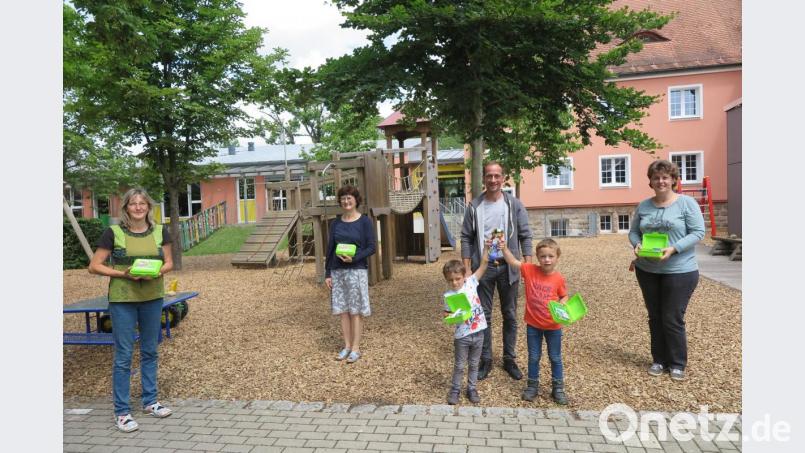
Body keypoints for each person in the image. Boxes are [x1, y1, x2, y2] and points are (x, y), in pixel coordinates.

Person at [88, 188, 174, 433]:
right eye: (133, 204)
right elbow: (94, 266)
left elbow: (169, 262)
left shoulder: (160, 231)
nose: (138, 207)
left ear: (148, 207)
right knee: (124, 355)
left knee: (150, 350)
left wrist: (158, 272)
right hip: (122, 299)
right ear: (125, 208)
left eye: (142, 203)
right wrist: (121, 274)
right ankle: (122, 412)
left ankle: (150, 401)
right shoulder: (113, 233)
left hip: (152, 296)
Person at [629, 159, 705, 382]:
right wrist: (637, 245)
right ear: (650, 181)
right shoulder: (644, 205)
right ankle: (659, 360)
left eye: (665, 177)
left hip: (680, 270)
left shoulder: (686, 204)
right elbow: (634, 233)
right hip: (647, 269)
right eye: (656, 177)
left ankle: (677, 363)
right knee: (655, 316)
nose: (661, 181)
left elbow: (699, 232)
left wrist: (674, 248)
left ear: (673, 180)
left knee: (672, 317)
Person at [460, 161, 533, 380]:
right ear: (483, 178)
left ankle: (509, 359)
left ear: (503, 178)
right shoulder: (474, 206)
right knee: (485, 316)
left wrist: (527, 267)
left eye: (497, 176)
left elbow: (525, 235)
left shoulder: (514, 205)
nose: (493, 180)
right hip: (484, 268)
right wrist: (466, 270)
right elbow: (466, 237)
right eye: (489, 176)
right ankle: (486, 359)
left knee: (510, 315)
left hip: (508, 267)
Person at [501, 238, 570, 405]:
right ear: (538, 257)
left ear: (557, 257)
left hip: (553, 327)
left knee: (555, 357)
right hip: (533, 325)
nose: (546, 259)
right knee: (533, 357)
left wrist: (562, 304)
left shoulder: (559, 278)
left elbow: (564, 296)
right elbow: (512, 261)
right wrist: (503, 247)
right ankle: (532, 386)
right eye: (543, 256)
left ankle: (558, 388)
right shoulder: (530, 270)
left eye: (550, 256)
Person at [324, 185, 377, 364]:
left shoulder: (364, 222)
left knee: (356, 311)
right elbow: (330, 249)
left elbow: (372, 247)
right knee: (343, 310)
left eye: (349, 198)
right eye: (343, 198)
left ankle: (355, 348)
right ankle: (346, 346)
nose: (346, 201)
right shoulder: (336, 223)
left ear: (356, 200)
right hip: (338, 272)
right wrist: (327, 273)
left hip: (356, 271)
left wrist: (354, 258)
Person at [441, 239, 491, 405]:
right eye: (451, 280)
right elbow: (448, 315)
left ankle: (472, 388)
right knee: (460, 365)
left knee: (475, 363)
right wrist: (452, 316)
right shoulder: (448, 296)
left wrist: (486, 249)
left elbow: (483, 265)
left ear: (464, 276)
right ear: (447, 280)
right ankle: (455, 389)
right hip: (462, 335)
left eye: (457, 278)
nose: (455, 283)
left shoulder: (470, 283)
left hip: (479, 332)